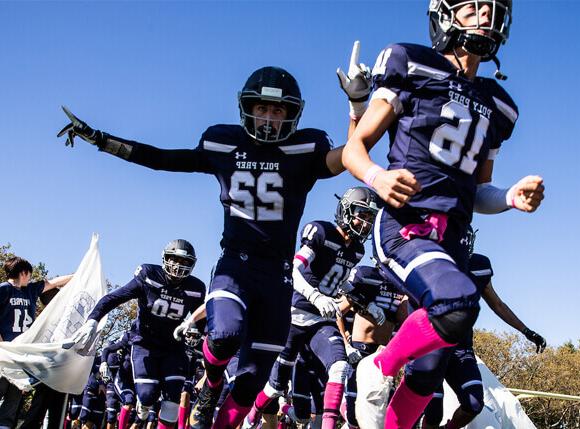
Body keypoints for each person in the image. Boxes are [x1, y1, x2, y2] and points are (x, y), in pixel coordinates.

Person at [59, 42, 372, 429]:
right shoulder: (224, 143)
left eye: (278, 110)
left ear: (291, 113)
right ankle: (210, 380)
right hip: (235, 263)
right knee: (224, 333)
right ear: (247, 108)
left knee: (249, 387)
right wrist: (103, 140)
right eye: (262, 108)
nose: (270, 118)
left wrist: (358, 105)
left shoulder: (304, 148)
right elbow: (162, 159)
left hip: (278, 275)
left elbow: (352, 156)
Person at [341, 1, 545, 427]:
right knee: (457, 304)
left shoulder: (497, 105)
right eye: (473, 7)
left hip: (451, 240)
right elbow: (354, 149)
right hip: (406, 225)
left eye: (492, 10)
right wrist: (378, 178)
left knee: (431, 371)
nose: (486, 17)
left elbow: (478, 193)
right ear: (445, 15)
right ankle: (376, 369)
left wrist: (509, 197)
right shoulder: (412, 64)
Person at [244, 187, 379, 429]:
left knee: (339, 367)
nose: (365, 223)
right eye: (362, 215)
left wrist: (365, 303)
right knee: (275, 387)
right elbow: (293, 270)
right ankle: (251, 415)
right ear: (346, 211)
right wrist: (316, 296)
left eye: (370, 218)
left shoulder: (356, 250)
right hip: (294, 315)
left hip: (321, 320)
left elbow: (341, 281)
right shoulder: (321, 231)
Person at [71, 239, 206, 429]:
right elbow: (115, 297)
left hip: (173, 347)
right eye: (174, 260)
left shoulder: (195, 288)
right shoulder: (149, 275)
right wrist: (93, 319)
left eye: (184, 262)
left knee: (173, 398)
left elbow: (202, 322)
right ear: (165, 258)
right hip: (144, 344)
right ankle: (142, 408)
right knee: (146, 395)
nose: (177, 266)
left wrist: (202, 334)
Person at [421, 230, 545, 429]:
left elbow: (497, 304)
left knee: (474, 403)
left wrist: (526, 331)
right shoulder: (431, 264)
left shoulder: (479, 266)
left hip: (461, 348)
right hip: (432, 347)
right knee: (434, 411)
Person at [0, 256, 72, 429]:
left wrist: (79, 275)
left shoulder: (30, 290)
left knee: (14, 395)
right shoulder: (3, 289)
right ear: (24, 273)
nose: (31, 278)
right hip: (5, 350)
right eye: (29, 274)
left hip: (22, 352)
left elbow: (53, 283)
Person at [338, 264, 408, 429]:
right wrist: (346, 344)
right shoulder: (366, 275)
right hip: (360, 349)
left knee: (384, 412)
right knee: (354, 416)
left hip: (383, 354)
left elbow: (403, 319)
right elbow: (337, 310)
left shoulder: (402, 284)